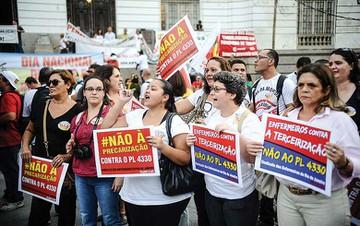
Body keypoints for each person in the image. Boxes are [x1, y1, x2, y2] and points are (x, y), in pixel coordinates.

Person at [251, 63, 360, 226]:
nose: (304, 89)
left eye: (312, 85)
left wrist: (343, 162)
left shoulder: (340, 120)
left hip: (324, 202)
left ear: (327, 90)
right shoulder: (288, 117)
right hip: (287, 197)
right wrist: (257, 148)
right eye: (301, 85)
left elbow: (357, 165)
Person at [102, 78, 191, 226]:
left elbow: (185, 157)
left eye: (153, 88)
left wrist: (163, 147)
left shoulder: (174, 121)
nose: (147, 90)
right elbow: (104, 130)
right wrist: (121, 102)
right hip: (133, 196)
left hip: (165, 198)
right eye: (147, 88)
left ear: (165, 97)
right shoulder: (134, 116)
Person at [186, 71, 263, 226]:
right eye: (212, 88)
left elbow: (253, 158)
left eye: (217, 89)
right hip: (212, 192)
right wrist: (193, 140)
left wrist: (234, 136)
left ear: (232, 94)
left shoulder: (249, 119)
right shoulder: (212, 117)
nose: (211, 92)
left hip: (238, 197)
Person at [176, 56, 231, 226]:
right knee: (203, 208)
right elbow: (175, 109)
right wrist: (161, 97)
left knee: (224, 211)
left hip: (222, 162)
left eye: (214, 70)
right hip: (199, 160)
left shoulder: (235, 95)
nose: (208, 73)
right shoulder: (201, 94)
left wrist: (208, 127)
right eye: (207, 70)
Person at [21, 69, 80, 226]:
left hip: (65, 170)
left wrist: (68, 156)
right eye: (49, 83)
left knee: (66, 212)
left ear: (68, 84)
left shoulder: (78, 110)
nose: (50, 86)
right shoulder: (41, 105)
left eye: (55, 82)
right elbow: (29, 130)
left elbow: (82, 142)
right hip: (42, 168)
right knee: (38, 212)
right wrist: (25, 147)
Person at [65, 76, 122, 226]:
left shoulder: (113, 114)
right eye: (90, 89)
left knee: (110, 218)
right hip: (81, 175)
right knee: (86, 218)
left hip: (105, 177)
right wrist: (70, 145)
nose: (94, 92)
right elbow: (73, 141)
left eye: (99, 89)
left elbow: (122, 147)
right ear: (84, 93)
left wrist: (120, 175)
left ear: (104, 93)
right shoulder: (77, 118)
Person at [250, 49, 296, 226]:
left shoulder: (285, 82)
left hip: (279, 142)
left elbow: (295, 106)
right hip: (261, 141)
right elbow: (252, 109)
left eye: (259, 58)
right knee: (264, 184)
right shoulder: (256, 85)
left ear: (270, 61)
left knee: (279, 184)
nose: (255, 61)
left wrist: (278, 120)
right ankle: (267, 218)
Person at [329, 48, 360, 225]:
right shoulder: (323, 93)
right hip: (328, 166)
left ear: (351, 66)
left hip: (354, 166)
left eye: (338, 63)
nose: (333, 66)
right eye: (330, 63)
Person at [0, 70, 24, 211]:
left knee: (11, 171)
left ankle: (16, 198)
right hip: (10, 139)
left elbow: (10, 115)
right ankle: (10, 194)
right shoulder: (13, 96)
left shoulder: (8, 97)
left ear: (6, 82)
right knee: (9, 170)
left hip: (8, 139)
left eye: (1, 79)